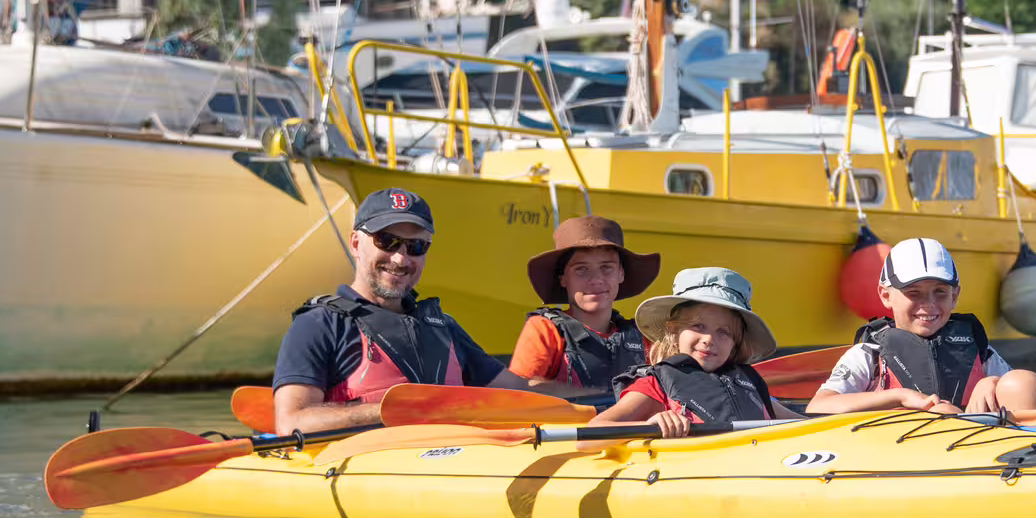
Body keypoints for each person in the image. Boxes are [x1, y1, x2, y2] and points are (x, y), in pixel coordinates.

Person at [272, 187, 538, 434]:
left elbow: (523, 393)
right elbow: (292, 422)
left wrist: (578, 393)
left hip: (452, 463)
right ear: (355, 244)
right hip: (371, 472)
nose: (400, 258)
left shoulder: (443, 327)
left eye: (416, 246)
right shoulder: (319, 324)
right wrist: (398, 411)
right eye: (386, 241)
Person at [805, 237, 1036, 416]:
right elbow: (818, 406)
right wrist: (898, 397)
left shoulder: (978, 349)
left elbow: (1017, 390)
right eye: (914, 293)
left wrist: (991, 381)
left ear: (955, 296)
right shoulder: (868, 354)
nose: (929, 305)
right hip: (903, 453)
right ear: (885, 295)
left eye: (940, 292)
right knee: (943, 411)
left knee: (1022, 382)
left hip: (975, 443)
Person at [592, 267, 799, 437]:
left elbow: (802, 424)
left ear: (735, 343)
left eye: (723, 332)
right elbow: (592, 433)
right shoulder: (654, 385)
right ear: (673, 330)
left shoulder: (748, 385)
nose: (709, 339)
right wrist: (650, 424)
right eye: (699, 326)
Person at [510, 216, 661, 394]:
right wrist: (595, 396)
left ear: (621, 274)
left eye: (606, 267)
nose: (596, 280)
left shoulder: (643, 336)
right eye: (581, 269)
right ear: (563, 279)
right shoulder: (545, 329)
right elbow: (519, 390)